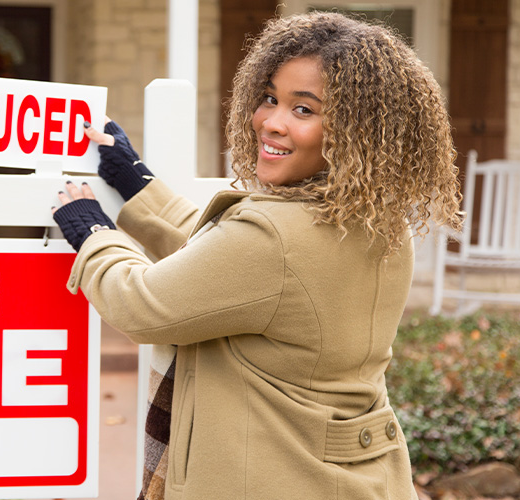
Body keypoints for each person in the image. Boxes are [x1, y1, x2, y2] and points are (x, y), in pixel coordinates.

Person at [51, 11, 463, 500]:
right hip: (358, 479)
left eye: (304, 110)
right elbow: (228, 266)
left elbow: (142, 304)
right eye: (270, 98)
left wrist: (92, 231)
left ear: (359, 131)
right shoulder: (375, 220)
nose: (271, 121)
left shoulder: (275, 239)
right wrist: (138, 186)